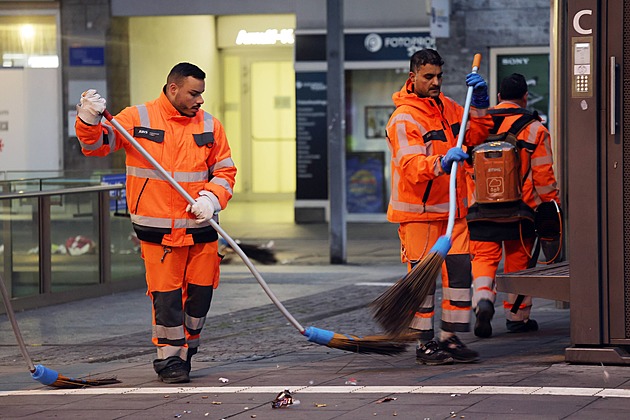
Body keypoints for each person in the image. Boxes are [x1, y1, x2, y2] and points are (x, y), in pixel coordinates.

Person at [74, 62, 237, 383]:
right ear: (173, 88)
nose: (200, 100)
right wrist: (87, 118)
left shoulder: (210, 125)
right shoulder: (137, 119)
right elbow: (95, 146)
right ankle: (169, 359)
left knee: (200, 296)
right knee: (167, 297)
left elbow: (225, 171)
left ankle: (188, 350)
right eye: (194, 93)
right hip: (158, 231)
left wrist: (211, 199)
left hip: (202, 229)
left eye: (202, 94)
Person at [385, 49, 493, 365]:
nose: (435, 82)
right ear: (412, 77)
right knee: (423, 284)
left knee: (459, 275)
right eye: (428, 77)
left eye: (439, 77)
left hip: (452, 212)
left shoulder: (447, 107)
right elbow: (411, 165)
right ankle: (424, 344)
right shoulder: (404, 117)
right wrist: (441, 162)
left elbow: (475, 132)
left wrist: (480, 105)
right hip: (419, 215)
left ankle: (451, 338)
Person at [468, 73, 560, 338]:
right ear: (525, 97)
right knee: (518, 261)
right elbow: (543, 176)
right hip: (520, 211)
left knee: (484, 258)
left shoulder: (479, 122)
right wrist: (551, 204)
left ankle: (482, 301)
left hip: (480, 209)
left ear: (498, 97)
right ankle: (517, 317)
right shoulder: (535, 129)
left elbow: (465, 164)